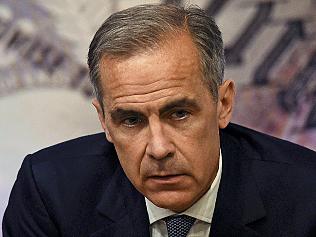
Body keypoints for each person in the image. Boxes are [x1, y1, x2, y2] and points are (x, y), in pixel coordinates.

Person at [2, 3, 316, 237]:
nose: (159, 148)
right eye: (130, 120)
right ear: (103, 121)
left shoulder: (307, 193)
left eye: (179, 114)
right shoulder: (49, 193)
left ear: (223, 104)